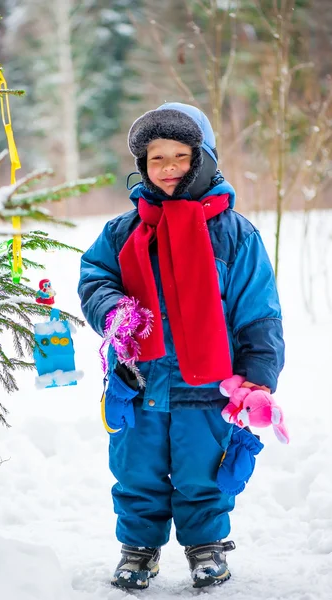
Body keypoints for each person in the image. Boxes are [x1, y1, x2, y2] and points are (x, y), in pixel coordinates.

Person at [77, 102, 285, 590]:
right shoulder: (124, 231)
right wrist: (113, 311)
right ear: (143, 167)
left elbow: (258, 310)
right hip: (140, 378)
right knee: (137, 471)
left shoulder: (235, 235)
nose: (168, 169)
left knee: (202, 473)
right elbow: (95, 277)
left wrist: (258, 372)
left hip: (210, 383)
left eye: (179, 156)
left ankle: (206, 546)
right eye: (156, 159)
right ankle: (139, 548)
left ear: (204, 158)